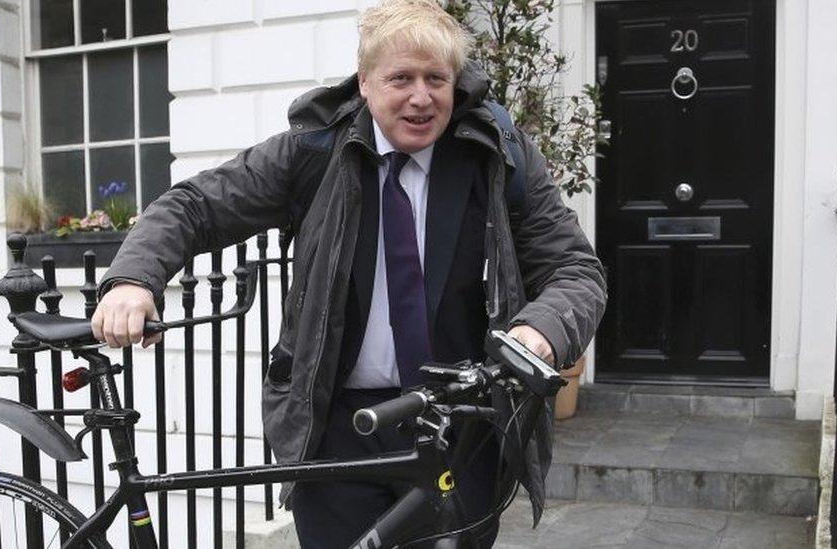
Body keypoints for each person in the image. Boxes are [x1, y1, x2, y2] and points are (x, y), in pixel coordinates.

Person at [93, 0, 606, 546]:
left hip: (460, 422)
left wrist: (539, 332)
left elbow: (575, 269)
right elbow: (193, 205)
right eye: (400, 78)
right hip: (337, 429)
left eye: (436, 78)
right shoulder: (312, 153)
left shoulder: (497, 156)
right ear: (365, 82)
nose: (420, 97)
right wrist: (133, 278)